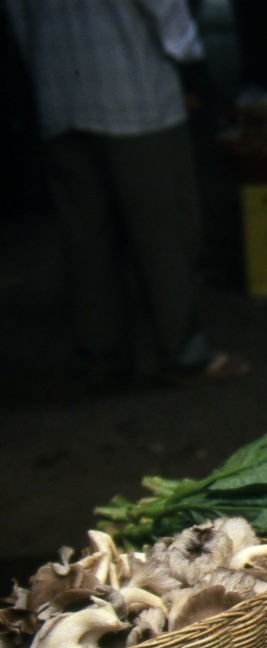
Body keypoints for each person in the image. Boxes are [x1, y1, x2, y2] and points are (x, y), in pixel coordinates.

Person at [4, 0, 249, 388]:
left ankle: (101, 355)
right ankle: (180, 352)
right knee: (163, 231)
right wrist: (190, 61)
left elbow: (16, 16)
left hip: (59, 91)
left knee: (86, 238)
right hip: (132, 91)